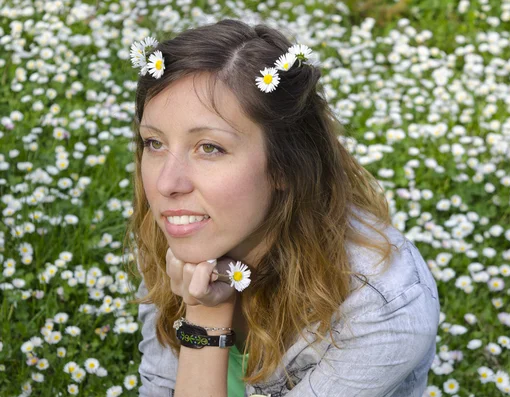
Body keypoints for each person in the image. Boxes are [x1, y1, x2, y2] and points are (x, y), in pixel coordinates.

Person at [124, 18, 440, 397]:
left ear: (284, 165)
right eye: (154, 144)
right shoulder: (180, 230)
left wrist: (205, 315)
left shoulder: (381, 306)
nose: (165, 185)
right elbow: (159, 387)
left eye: (210, 147)